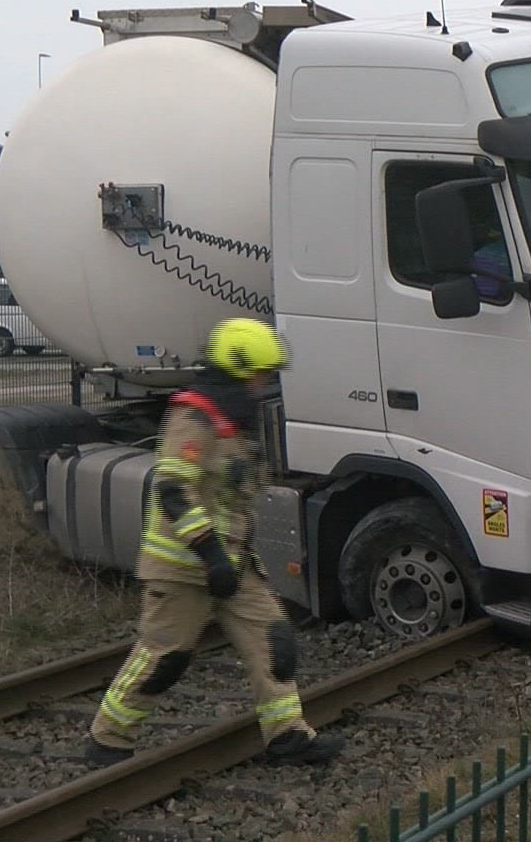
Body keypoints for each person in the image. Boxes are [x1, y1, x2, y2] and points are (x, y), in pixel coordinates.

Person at [87, 318, 344, 769]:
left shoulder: (233, 425)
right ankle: (107, 738)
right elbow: (172, 490)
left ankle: (287, 737)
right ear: (236, 369)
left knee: (275, 642)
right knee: (166, 658)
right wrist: (209, 553)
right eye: (258, 375)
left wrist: (228, 560)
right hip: (184, 565)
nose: (264, 385)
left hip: (233, 564)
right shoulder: (194, 419)